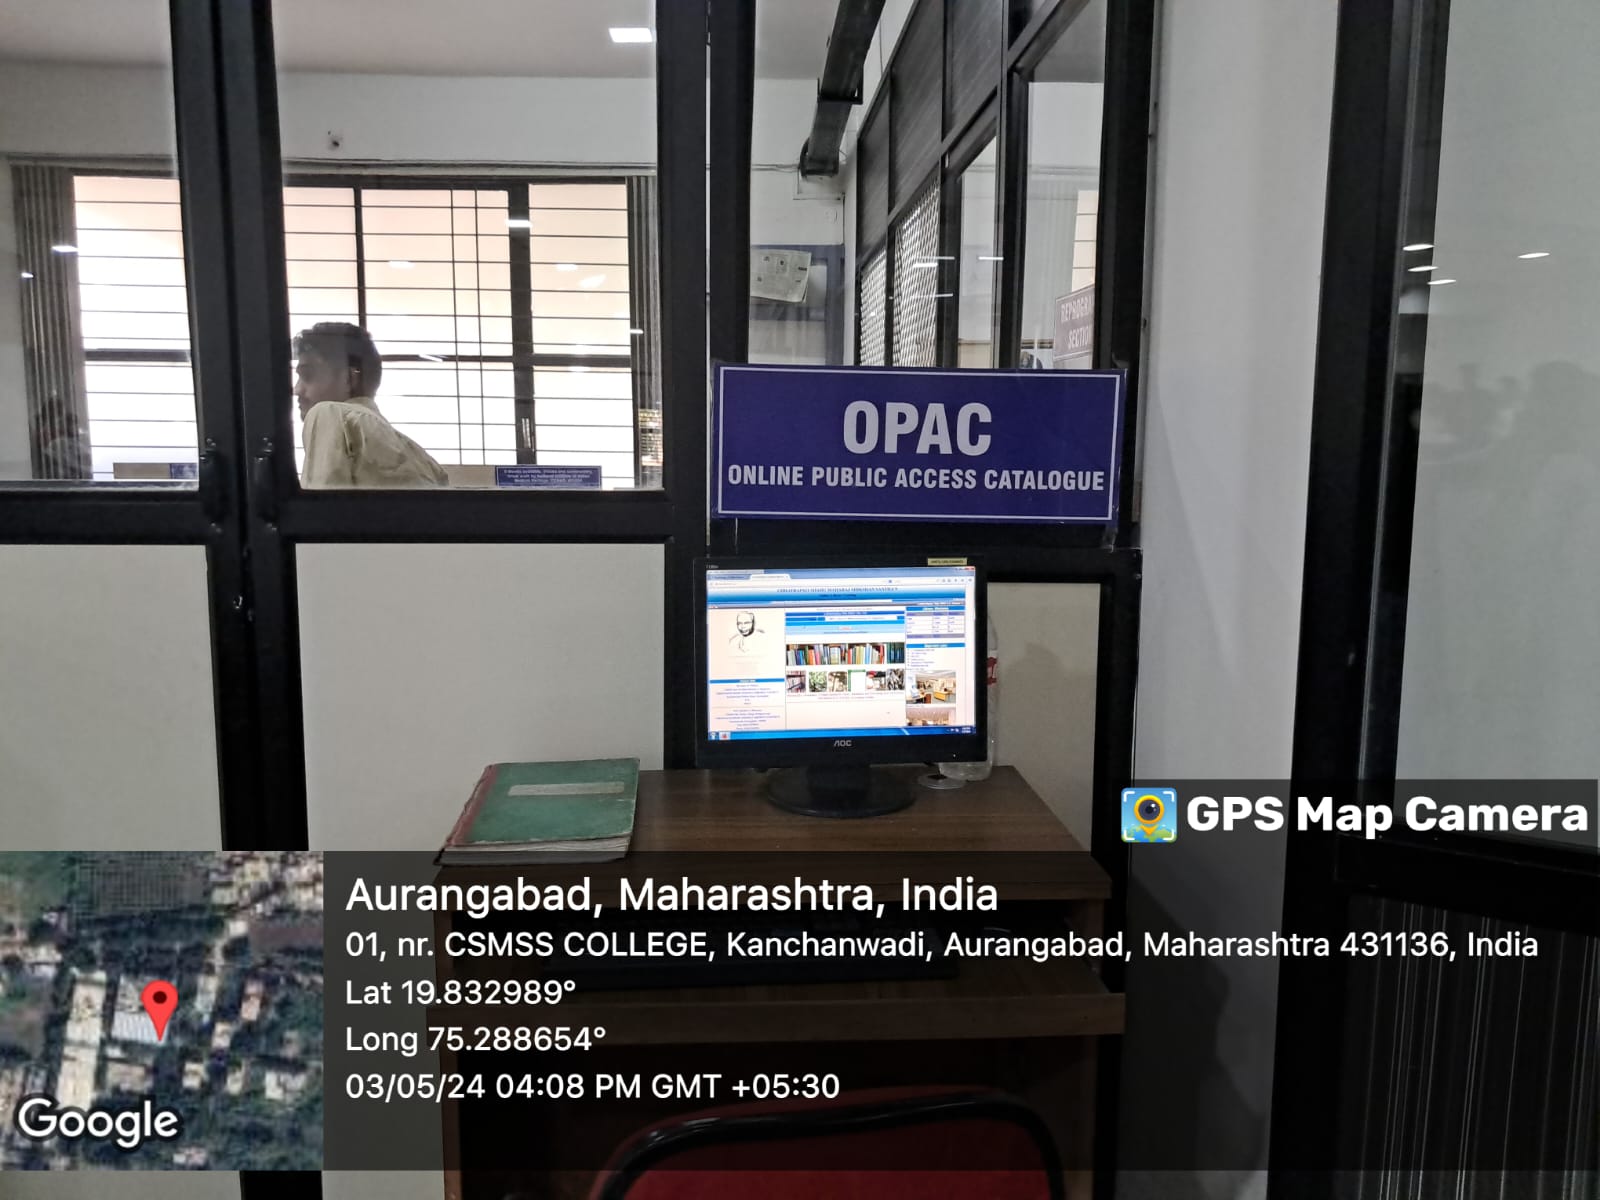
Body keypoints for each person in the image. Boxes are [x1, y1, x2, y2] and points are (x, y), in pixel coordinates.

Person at [294, 322, 448, 488]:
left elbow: (323, 501)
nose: (297, 390)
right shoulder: (424, 460)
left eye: (308, 375)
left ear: (349, 379)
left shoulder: (329, 413)